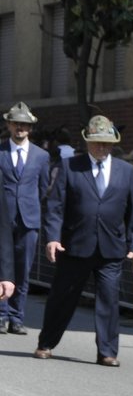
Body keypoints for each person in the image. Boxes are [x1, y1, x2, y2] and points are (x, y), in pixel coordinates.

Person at [33, 116, 133, 366]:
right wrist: (52, 238)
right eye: (97, 143)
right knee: (63, 298)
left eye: (107, 143)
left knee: (109, 301)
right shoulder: (70, 166)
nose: (102, 148)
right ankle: (46, 343)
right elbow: (55, 207)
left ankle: (107, 351)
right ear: (87, 142)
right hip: (75, 244)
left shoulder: (125, 171)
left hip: (111, 248)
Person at [2, 102, 50, 335]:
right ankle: (1, 314)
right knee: (2, 268)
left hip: (28, 220)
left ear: (30, 128)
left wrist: (30, 209)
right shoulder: (0, 152)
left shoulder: (41, 156)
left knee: (24, 269)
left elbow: (43, 189)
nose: (20, 128)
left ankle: (17, 316)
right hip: (2, 220)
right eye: (16, 123)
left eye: (24, 124)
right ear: (9, 125)